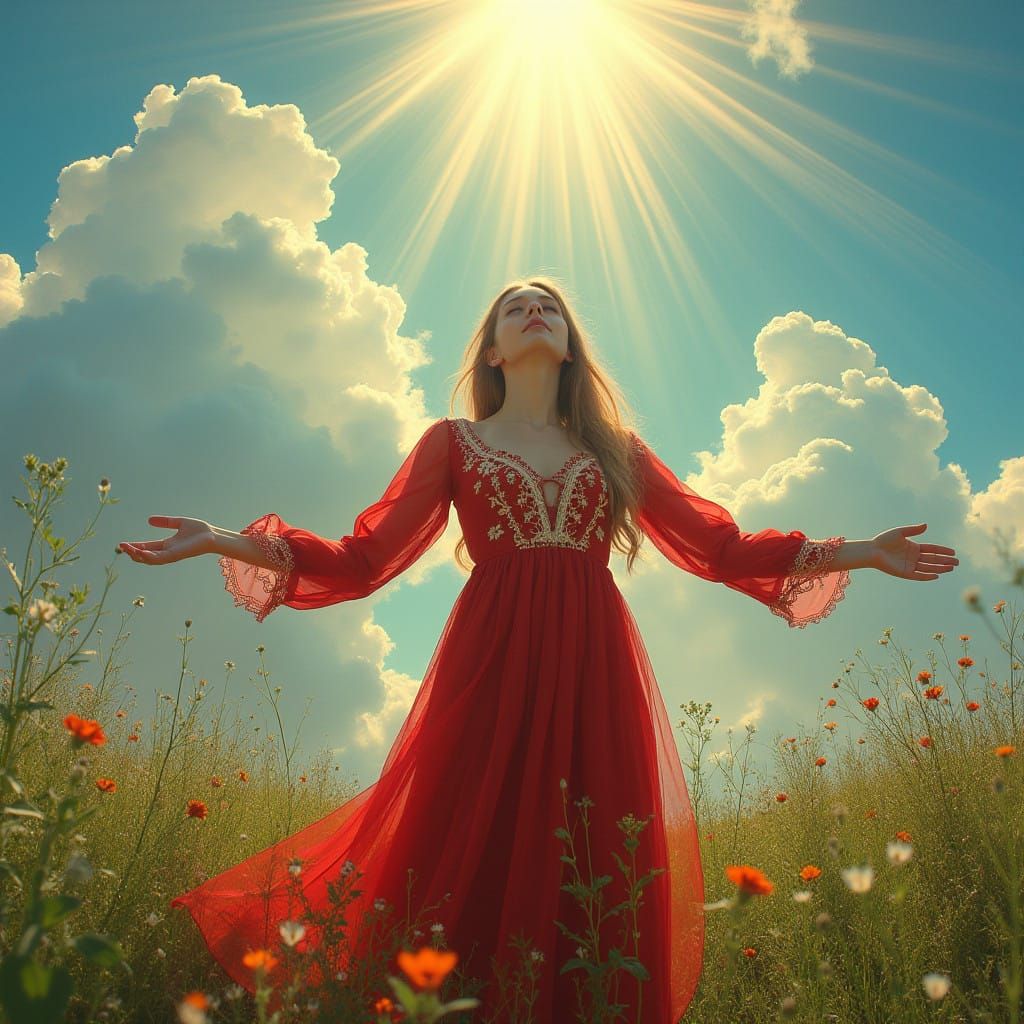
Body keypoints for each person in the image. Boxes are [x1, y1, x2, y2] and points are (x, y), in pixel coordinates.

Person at [119, 277, 958, 1022]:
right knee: (463, 823)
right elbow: (364, 557)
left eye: (548, 307)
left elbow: (723, 546)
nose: (533, 313)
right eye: (515, 309)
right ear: (491, 348)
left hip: (595, 657)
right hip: (490, 653)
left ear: (568, 345)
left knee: (597, 842)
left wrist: (861, 552)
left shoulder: (615, 451)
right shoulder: (451, 441)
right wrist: (224, 539)